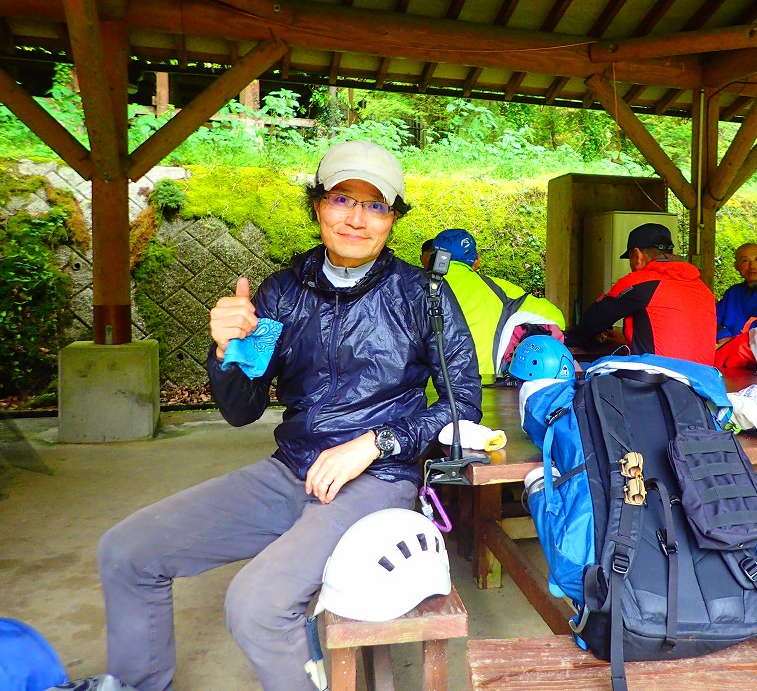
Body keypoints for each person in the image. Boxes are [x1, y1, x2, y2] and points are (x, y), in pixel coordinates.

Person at [97, 141, 482, 691]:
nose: (356, 219)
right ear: (317, 205)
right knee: (127, 551)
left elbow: (463, 402)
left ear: (393, 219)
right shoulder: (281, 292)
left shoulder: (424, 295)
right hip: (291, 469)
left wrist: (375, 442)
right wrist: (226, 352)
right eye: (342, 199)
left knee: (256, 605)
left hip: (378, 479)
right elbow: (242, 409)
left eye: (375, 205)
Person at [565, 222, 716, 365]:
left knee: (585, 372)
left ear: (637, 255)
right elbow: (679, 337)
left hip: (660, 379)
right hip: (703, 380)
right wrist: (628, 341)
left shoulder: (642, 280)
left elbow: (594, 320)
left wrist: (567, 338)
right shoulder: (702, 288)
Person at [431, 228, 565, 378]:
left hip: (418, 388)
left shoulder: (415, 286)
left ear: (432, 259)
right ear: (476, 260)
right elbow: (555, 317)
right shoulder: (499, 290)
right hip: (479, 384)